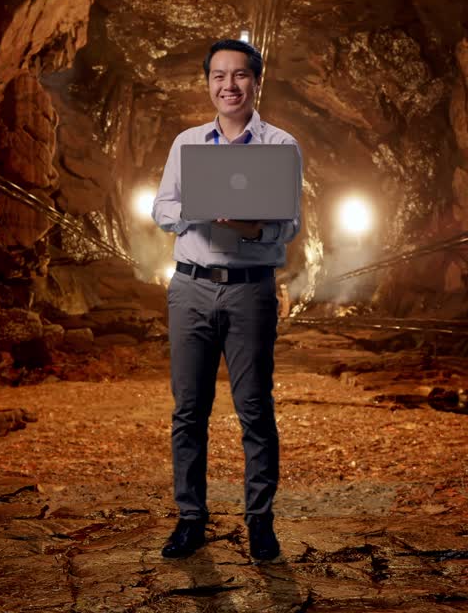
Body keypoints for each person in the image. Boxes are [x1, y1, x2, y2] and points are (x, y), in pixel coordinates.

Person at [150, 39, 302, 561]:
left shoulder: (280, 146)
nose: (228, 85)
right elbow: (161, 209)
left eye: (239, 75)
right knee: (189, 410)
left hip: (250, 289)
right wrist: (199, 208)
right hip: (190, 286)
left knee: (254, 408)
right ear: (208, 83)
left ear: (256, 82)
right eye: (219, 76)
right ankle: (190, 519)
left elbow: (289, 225)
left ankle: (260, 522)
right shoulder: (187, 143)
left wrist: (251, 226)